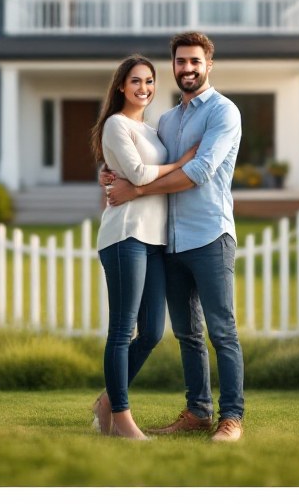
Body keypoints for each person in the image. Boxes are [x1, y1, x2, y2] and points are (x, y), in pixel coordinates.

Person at [104, 32, 246, 441]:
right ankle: (198, 410)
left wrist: (137, 189)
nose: (187, 68)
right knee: (187, 334)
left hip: (210, 234)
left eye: (195, 62)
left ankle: (231, 418)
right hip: (170, 241)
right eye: (181, 61)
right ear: (174, 65)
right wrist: (110, 174)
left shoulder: (224, 112)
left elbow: (199, 172)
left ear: (208, 65)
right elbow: (144, 163)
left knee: (222, 332)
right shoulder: (165, 120)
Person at [89, 55, 196, 440]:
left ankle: (104, 402)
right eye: (136, 81)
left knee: (152, 331)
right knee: (121, 330)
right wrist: (180, 163)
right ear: (121, 85)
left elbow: (131, 173)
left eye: (149, 81)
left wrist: (171, 167)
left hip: (155, 240)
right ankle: (121, 417)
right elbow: (135, 174)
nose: (144, 88)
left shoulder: (149, 130)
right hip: (125, 236)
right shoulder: (116, 124)